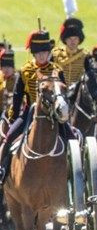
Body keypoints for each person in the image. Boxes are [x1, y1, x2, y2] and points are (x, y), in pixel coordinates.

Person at [0, 30, 66, 190]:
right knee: (8, 138)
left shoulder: (57, 70)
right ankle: (3, 170)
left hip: (54, 115)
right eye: (38, 53)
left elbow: (65, 94)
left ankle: (73, 173)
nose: (42, 56)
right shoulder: (25, 71)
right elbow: (17, 97)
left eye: (44, 52)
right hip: (30, 112)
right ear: (33, 53)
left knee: (72, 138)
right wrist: (13, 117)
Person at [52, 17, 87, 86]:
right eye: (70, 39)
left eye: (75, 39)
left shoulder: (85, 56)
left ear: (79, 40)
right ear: (65, 39)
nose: (72, 42)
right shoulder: (57, 54)